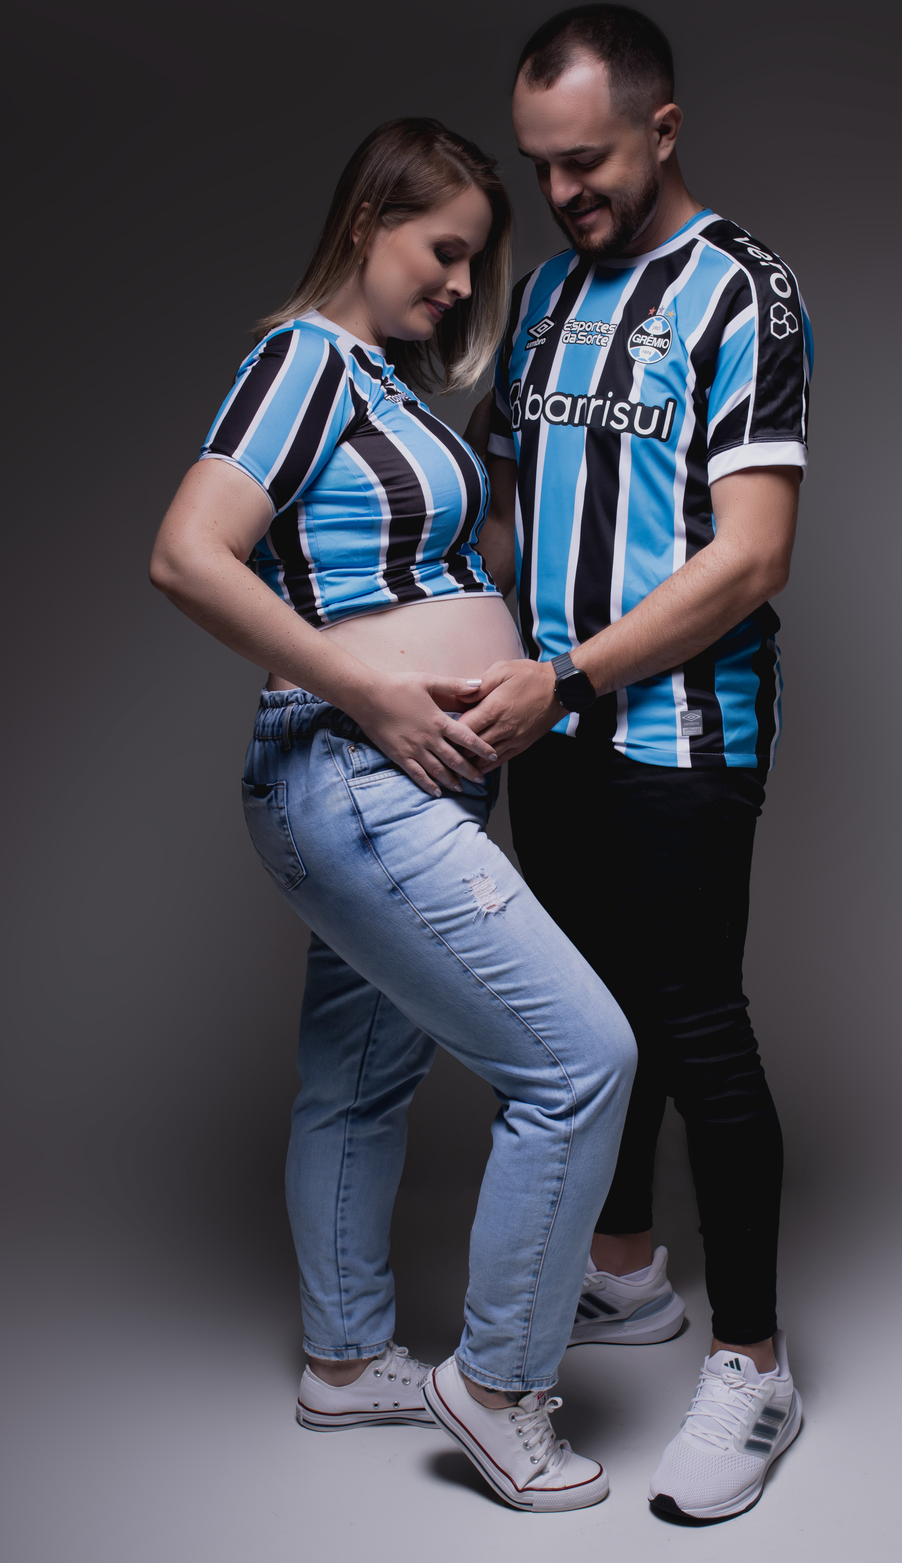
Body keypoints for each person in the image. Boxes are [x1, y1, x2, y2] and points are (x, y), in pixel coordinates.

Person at [149, 116, 637, 1514]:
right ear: (369, 221)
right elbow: (187, 553)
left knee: (361, 1079)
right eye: (445, 250)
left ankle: (347, 1357)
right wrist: (371, 690)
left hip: (413, 780)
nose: (459, 285)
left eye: (477, 264)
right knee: (580, 1061)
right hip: (357, 777)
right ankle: (498, 1390)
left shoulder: (386, 384)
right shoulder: (302, 361)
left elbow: (438, 566)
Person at [463, 7, 812, 1524]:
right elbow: (507, 494)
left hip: (678, 732)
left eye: (588, 161)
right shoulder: (546, 293)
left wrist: (571, 674)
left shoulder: (745, 289)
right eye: (540, 166)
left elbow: (754, 557)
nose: (562, 194)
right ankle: (622, 1272)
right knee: (590, 1016)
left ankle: (756, 1366)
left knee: (693, 1022)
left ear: (663, 130)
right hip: (549, 722)